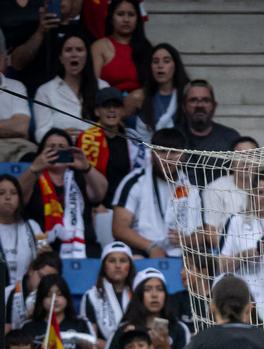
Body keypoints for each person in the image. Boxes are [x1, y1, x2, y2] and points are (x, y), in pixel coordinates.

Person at [111, 127, 204, 258]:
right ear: (152, 153)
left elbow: (200, 233)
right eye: (162, 151)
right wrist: (151, 247)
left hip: (179, 254)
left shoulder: (191, 188)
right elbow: (119, 229)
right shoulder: (135, 182)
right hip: (142, 250)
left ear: (184, 155)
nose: (167, 157)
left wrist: (187, 241)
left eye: (174, 152)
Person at [19, 128, 107, 259]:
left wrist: (86, 167)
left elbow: (100, 194)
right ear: (41, 152)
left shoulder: (79, 176)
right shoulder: (33, 177)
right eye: (51, 147)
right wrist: (34, 169)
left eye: (62, 147)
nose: (57, 150)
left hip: (83, 246)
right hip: (43, 247)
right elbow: (18, 197)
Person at [217, 170, 264, 326]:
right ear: (252, 195)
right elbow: (222, 266)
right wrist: (245, 255)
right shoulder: (237, 221)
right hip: (244, 298)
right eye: (259, 192)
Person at [101, 267, 190, 349]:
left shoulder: (179, 329)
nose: (154, 295)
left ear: (165, 295)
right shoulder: (124, 330)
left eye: (160, 289)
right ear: (138, 296)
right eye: (147, 289)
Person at [19, 273, 98, 349]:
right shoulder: (29, 327)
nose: (54, 300)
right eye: (48, 295)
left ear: (67, 297)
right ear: (41, 299)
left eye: (59, 294)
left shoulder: (81, 324)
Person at [76, 87, 143, 208]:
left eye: (116, 106)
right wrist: (95, 205)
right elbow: (81, 179)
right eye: (106, 106)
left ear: (122, 111)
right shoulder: (86, 139)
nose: (111, 110)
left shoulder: (133, 140)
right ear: (97, 111)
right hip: (96, 207)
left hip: (127, 205)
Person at [32, 32, 103, 143]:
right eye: (68, 50)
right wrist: (60, 136)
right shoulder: (45, 91)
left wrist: (87, 136)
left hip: (97, 150)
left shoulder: (102, 87)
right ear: (61, 58)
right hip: (62, 150)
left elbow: (111, 126)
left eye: (79, 50)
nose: (74, 54)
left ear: (87, 56)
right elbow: (40, 133)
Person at [177, 79, 242, 186]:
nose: (199, 105)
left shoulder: (230, 137)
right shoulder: (173, 136)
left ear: (214, 106)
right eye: (193, 100)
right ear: (184, 107)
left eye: (205, 100)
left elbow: (243, 176)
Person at [90, 0, 150, 113]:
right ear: (111, 18)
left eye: (131, 15)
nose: (126, 20)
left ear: (138, 19)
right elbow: (92, 87)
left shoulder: (147, 48)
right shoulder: (99, 47)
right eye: (120, 14)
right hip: (108, 109)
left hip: (140, 111)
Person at [82, 240, 134, 349]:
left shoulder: (139, 293)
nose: (118, 266)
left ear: (130, 266)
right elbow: (91, 338)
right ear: (104, 266)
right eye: (112, 261)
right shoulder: (91, 296)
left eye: (123, 261)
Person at [134, 43, 189, 142]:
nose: (160, 66)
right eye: (155, 62)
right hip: (147, 154)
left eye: (166, 61)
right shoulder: (140, 96)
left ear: (175, 65)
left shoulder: (187, 95)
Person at [0, 175, 46, 288]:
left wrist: (43, 253)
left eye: (13, 193)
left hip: (26, 292)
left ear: (20, 198)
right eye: (1, 193)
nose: (8, 197)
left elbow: (45, 252)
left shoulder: (33, 227)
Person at [4, 250, 60, 333]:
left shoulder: (54, 299)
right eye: (41, 277)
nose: (44, 283)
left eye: (49, 280)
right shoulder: (7, 294)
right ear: (31, 270)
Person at [0, 32, 34, 163]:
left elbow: (21, 127)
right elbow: (15, 127)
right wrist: (9, 126)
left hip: (18, 147)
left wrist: (15, 128)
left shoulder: (16, 86)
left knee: (35, 158)